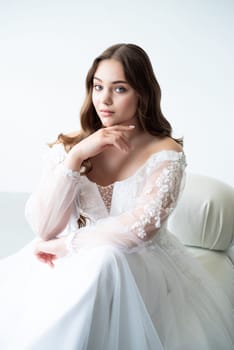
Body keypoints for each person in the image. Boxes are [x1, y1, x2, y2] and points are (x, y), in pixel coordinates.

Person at [0, 43, 233, 350]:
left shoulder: (166, 154)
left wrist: (69, 246)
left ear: (142, 93)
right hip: (69, 261)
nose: (104, 100)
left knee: (106, 259)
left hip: (141, 264)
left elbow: (140, 229)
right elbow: (44, 229)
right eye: (98, 87)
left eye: (119, 89)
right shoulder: (69, 147)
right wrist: (77, 157)